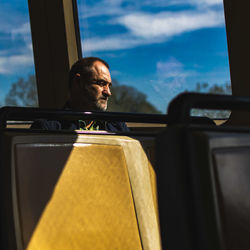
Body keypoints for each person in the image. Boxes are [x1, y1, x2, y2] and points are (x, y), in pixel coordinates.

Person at [31, 57, 129, 132]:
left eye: (109, 86)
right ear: (78, 82)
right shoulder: (47, 128)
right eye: (101, 84)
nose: (108, 92)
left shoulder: (118, 126)